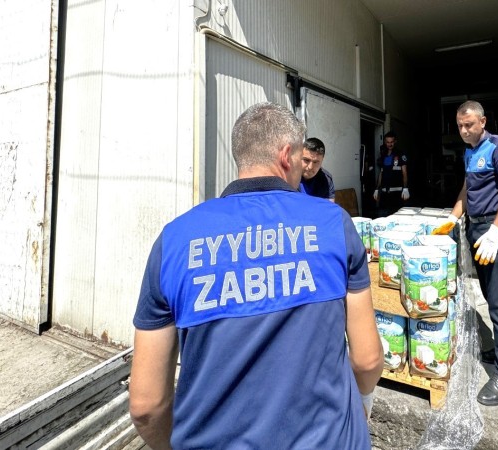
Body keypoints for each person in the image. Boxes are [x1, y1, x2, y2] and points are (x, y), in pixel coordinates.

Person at [129, 102, 383, 449]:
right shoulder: (333, 224)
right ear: (286, 156)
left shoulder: (174, 240)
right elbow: (367, 360)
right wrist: (363, 401)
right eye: (301, 159)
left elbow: (146, 406)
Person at [432, 100, 498, 407]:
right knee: (489, 294)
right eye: (459, 126)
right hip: (476, 229)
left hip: (496, 232)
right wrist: (453, 217)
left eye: (468, 124)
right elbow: (467, 188)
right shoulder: (469, 152)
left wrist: (496, 231)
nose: (463, 130)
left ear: (483, 122)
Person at [373, 131, 409, 215]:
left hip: (396, 193)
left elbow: (404, 173)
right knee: (383, 217)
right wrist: (377, 189)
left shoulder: (400, 154)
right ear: (385, 142)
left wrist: (405, 188)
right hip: (384, 193)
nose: (390, 144)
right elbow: (381, 173)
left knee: (397, 216)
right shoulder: (383, 155)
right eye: (388, 142)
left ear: (395, 141)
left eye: (391, 142)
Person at [299, 137, 335, 201]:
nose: (310, 167)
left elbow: (329, 205)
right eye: (306, 160)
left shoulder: (326, 179)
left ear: (322, 161)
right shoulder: (290, 176)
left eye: (315, 162)